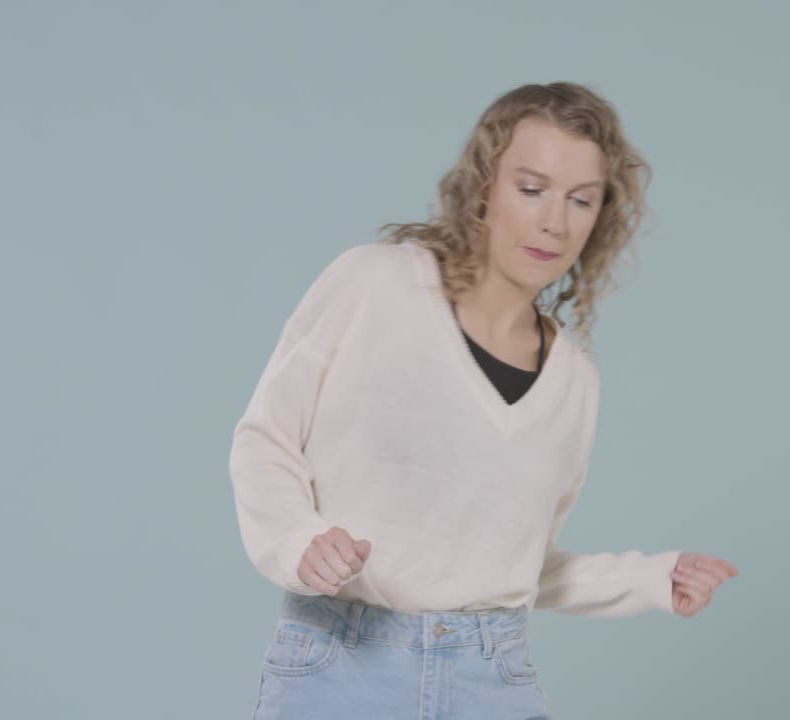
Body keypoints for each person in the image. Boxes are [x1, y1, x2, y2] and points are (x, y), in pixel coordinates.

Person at [229, 81, 739, 719]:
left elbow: (515, 563)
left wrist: (648, 579)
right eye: (531, 189)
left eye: (581, 200)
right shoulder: (374, 285)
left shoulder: (574, 381)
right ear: (484, 188)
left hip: (488, 676)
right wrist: (297, 540)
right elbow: (264, 439)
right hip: (340, 662)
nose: (554, 222)